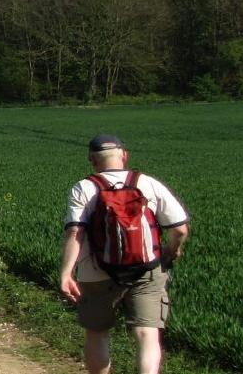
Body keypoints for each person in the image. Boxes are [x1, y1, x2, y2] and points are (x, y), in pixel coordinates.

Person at [59, 134, 191, 374]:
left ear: (92, 160)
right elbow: (180, 229)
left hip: (95, 272)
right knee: (146, 334)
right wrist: (172, 251)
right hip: (147, 270)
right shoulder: (148, 183)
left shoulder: (84, 187)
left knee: (97, 333)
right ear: (124, 156)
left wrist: (67, 272)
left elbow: (75, 232)